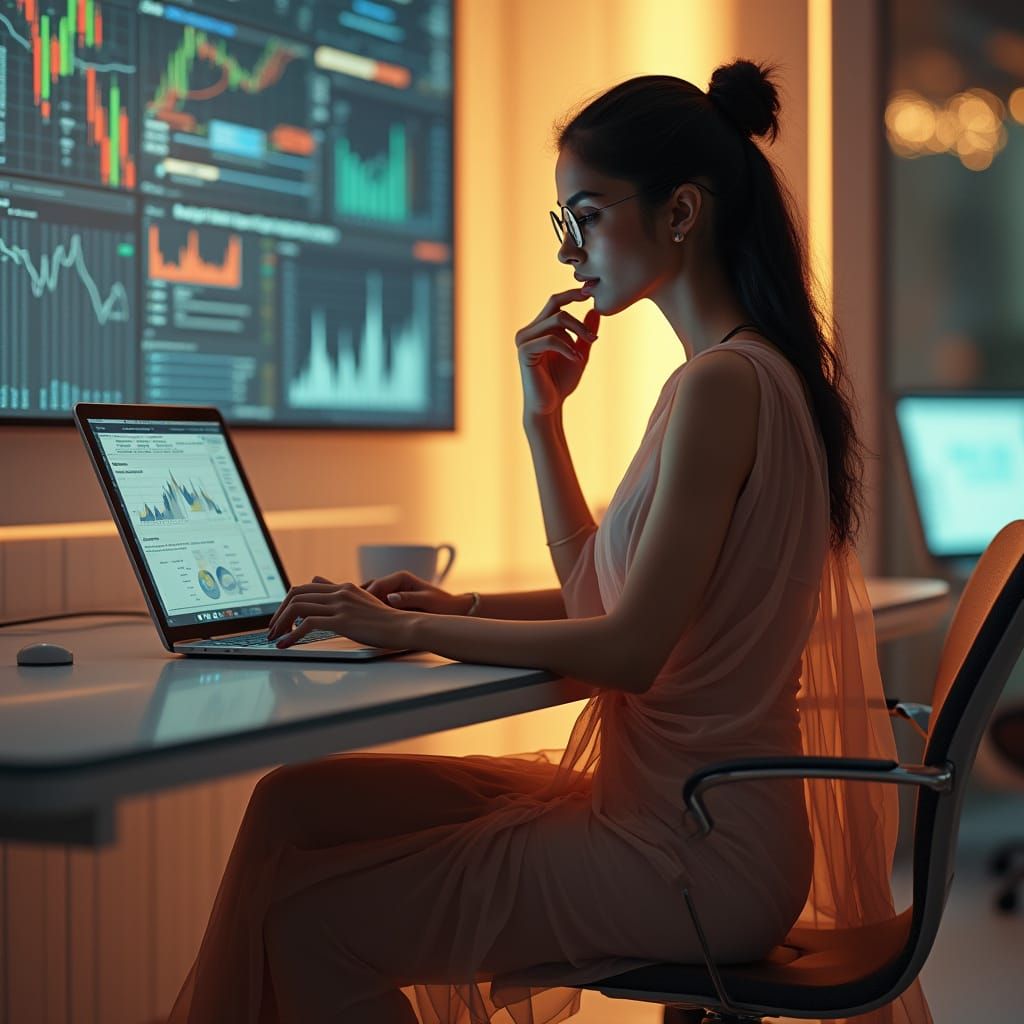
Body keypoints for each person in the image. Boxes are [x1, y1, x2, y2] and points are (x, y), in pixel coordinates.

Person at [168, 61, 931, 1024]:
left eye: (586, 216)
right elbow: (605, 600)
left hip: (694, 850)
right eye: (562, 222)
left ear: (681, 212)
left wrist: (405, 630)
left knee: (310, 926)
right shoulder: (735, 376)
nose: (570, 252)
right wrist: (541, 430)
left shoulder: (723, 387)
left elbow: (627, 650)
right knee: (294, 804)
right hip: (686, 815)